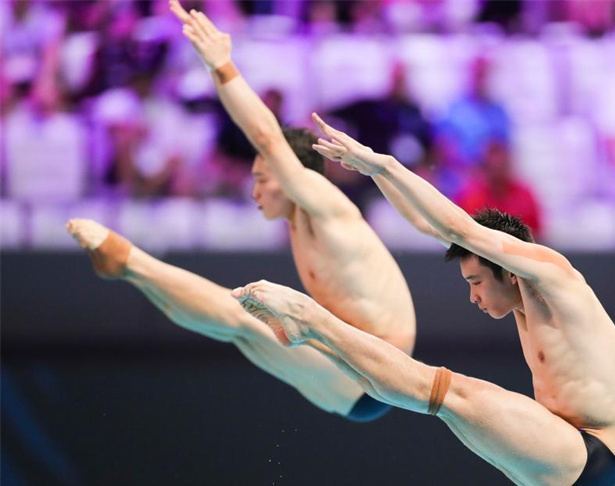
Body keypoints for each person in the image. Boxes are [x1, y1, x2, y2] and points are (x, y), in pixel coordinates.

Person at [232, 113, 615, 486]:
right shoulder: (522, 295)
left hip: (589, 454)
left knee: (446, 390)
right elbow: (428, 225)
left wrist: (384, 164)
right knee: (432, 401)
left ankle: (310, 320)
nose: (473, 297)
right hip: (560, 455)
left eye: (476, 282)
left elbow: (460, 230)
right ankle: (318, 336)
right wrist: (375, 174)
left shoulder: (555, 278)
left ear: (509, 271)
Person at [65, 0, 418, 423]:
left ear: (293, 176)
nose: (254, 191)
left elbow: (267, 136)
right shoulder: (298, 220)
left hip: (382, 367)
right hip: (351, 381)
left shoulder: (326, 206)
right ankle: (130, 271)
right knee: (234, 326)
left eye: (263, 178)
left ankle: (127, 260)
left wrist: (222, 66)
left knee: (245, 312)